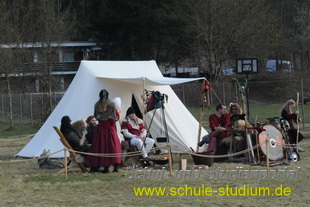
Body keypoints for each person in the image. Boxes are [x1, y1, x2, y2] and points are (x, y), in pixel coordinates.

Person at [85, 89, 122, 173]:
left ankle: (106, 167)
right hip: (109, 129)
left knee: (102, 147)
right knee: (112, 147)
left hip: (101, 129)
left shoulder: (97, 104)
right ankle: (114, 167)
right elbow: (114, 118)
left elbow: (96, 116)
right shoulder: (111, 104)